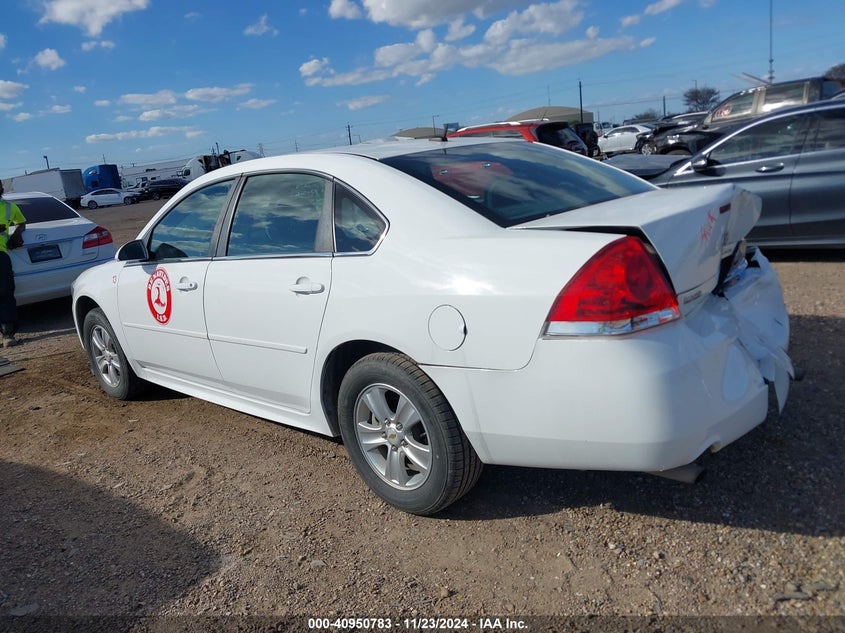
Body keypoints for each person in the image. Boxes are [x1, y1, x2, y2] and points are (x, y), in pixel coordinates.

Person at [0, 182, 26, 347]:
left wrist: (16, 233)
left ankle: (8, 333)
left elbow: (21, 222)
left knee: (5, 293)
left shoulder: (10, 207)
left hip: (1, 255)